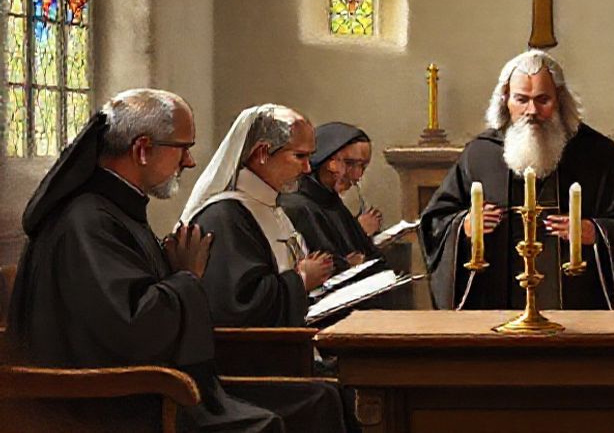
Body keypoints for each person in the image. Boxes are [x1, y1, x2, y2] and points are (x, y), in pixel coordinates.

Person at [7, 89, 283, 431]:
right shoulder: (86, 221)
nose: (189, 162)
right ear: (142, 149)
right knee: (271, 422)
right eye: (183, 148)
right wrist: (186, 276)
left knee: (318, 400)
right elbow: (134, 331)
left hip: (138, 391)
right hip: (106, 408)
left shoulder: (114, 210)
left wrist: (175, 275)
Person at [420, 49, 614, 310]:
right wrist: (465, 226)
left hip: (579, 318)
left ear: (560, 99)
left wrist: (597, 233)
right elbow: (434, 223)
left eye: (542, 99)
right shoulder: (480, 154)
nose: (531, 110)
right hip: (496, 313)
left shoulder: (596, 153)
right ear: (505, 100)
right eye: (521, 99)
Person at [182, 104, 334, 327]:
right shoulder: (224, 217)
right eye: (299, 156)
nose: (307, 168)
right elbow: (237, 306)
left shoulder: (271, 206)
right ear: (262, 153)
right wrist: (300, 280)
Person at [280, 122, 379, 272]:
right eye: (350, 163)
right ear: (325, 159)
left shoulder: (331, 200)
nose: (357, 175)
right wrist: (346, 264)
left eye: (362, 166)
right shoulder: (297, 205)